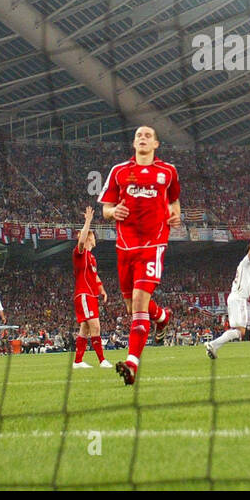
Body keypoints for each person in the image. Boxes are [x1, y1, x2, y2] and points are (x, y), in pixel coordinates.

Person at [100, 125, 181, 384]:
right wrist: (114, 213)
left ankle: (132, 362)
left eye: (148, 135)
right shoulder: (119, 171)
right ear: (134, 143)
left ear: (156, 144)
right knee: (132, 307)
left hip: (153, 243)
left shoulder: (167, 172)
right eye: (138, 135)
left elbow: (174, 200)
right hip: (125, 247)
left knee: (137, 303)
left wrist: (175, 214)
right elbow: (106, 210)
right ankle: (162, 316)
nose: (142, 138)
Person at [205, 223, 250, 358]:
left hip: (235, 297)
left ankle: (214, 346)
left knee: (238, 331)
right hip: (239, 299)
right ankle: (213, 344)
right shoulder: (246, 262)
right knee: (241, 331)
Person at [71, 206, 111, 369]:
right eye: (92, 235)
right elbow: (81, 242)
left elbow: (94, 275)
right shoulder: (79, 253)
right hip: (84, 294)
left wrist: (102, 289)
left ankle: (78, 361)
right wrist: (87, 221)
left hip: (91, 294)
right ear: (88, 238)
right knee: (95, 326)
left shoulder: (92, 257)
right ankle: (102, 360)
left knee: (85, 329)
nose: (95, 238)